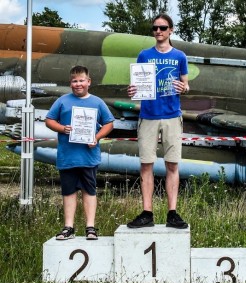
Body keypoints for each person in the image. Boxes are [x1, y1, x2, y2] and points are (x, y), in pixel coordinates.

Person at [126, 13, 190, 229]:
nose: (158, 31)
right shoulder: (144, 55)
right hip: (149, 116)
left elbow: (185, 84)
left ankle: (172, 213)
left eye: (163, 28)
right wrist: (133, 90)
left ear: (171, 30)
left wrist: (185, 88)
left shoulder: (180, 56)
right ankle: (147, 213)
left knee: (172, 164)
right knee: (146, 165)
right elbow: (137, 85)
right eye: (155, 28)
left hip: (172, 115)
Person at [45, 65, 114, 240]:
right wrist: (62, 128)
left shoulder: (98, 102)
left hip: (88, 157)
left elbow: (109, 124)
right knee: (68, 192)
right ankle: (68, 227)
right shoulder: (62, 101)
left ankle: (90, 227)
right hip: (67, 157)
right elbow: (49, 120)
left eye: (81, 80)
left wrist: (96, 138)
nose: (78, 84)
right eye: (74, 81)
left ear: (88, 82)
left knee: (89, 191)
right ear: (70, 83)